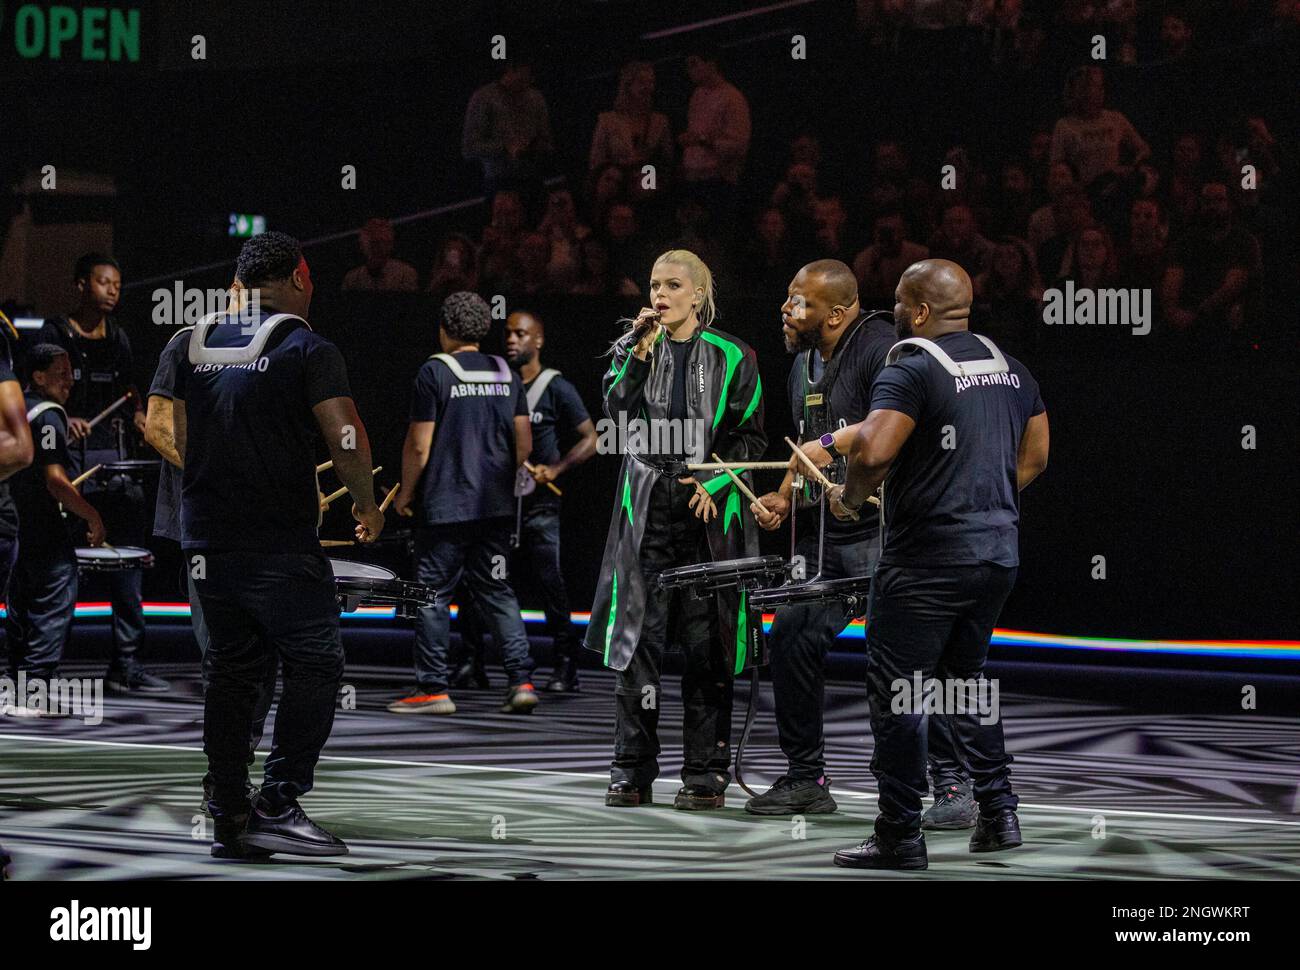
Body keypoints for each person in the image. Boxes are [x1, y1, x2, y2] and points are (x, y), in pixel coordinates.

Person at [830, 259, 1049, 870]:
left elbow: (872, 448)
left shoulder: (912, 365)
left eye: (899, 300)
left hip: (925, 561)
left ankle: (899, 834)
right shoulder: (1010, 368)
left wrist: (850, 498)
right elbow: (1036, 457)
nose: (893, 310)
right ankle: (999, 813)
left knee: (899, 694)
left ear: (920, 311)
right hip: (996, 556)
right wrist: (982, 504)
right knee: (966, 683)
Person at [171, 231, 384, 858]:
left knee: (232, 673)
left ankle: (229, 812)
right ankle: (279, 801)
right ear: (298, 276)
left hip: (206, 539)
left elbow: (173, 427)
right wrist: (368, 505)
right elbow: (344, 435)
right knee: (317, 664)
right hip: (278, 543)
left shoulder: (194, 342)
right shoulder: (306, 345)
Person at [587, 249, 766, 811]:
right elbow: (614, 413)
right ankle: (631, 768)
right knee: (637, 641)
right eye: (654, 284)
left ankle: (705, 773)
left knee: (706, 640)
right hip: (645, 503)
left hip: (705, 508)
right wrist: (637, 355)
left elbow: (750, 439)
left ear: (698, 294)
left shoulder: (735, 355)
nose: (660, 295)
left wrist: (714, 483)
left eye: (672, 285)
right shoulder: (632, 348)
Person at [144, 318, 277, 807]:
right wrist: (221, 473)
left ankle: (233, 764)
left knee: (264, 656)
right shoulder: (187, 345)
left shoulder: (285, 345)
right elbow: (157, 427)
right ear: (235, 287)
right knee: (225, 656)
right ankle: (226, 779)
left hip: (266, 530)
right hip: (205, 530)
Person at [389, 292, 539, 716]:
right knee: (497, 592)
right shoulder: (506, 372)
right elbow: (523, 444)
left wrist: (404, 493)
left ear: (444, 329)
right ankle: (522, 682)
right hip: (495, 508)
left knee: (432, 595)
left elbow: (419, 446)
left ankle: (433, 689)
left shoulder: (434, 371)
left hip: (445, 508)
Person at [38, 253, 167, 693]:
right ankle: (43, 669)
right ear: (80, 285)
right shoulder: (55, 333)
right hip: (70, 463)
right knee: (64, 567)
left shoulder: (120, 337)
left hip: (114, 460)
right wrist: (64, 414)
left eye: (117, 283)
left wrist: (139, 414)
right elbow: (35, 390)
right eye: (102, 282)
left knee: (128, 561)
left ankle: (126, 666)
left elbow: (131, 391)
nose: (112, 290)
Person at [454, 311, 598, 693]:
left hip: (539, 508)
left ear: (539, 340)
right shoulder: (497, 383)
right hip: (498, 504)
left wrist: (556, 468)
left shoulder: (555, 386)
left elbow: (591, 437)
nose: (512, 340)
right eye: (508, 334)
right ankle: (472, 661)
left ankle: (566, 666)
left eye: (521, 334)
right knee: (478, 583)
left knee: (550, 583)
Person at [4, 345, 105, 717]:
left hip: (14, 524)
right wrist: (93, 515)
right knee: (53, 599)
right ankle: (36, 690)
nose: (69, 380)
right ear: (38, 376)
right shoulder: (48, 417)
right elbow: (56, 481)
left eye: (71, 373)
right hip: (43, 528)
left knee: (21, 606)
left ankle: (17, 686)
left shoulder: (15, 410)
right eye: (60, 373)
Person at [341, 217, 418, 292]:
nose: (378, 248)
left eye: (383, 242)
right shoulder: (351, 279)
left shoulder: (405, 274)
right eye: (374, 243)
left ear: (391, 245)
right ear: (362, 246)